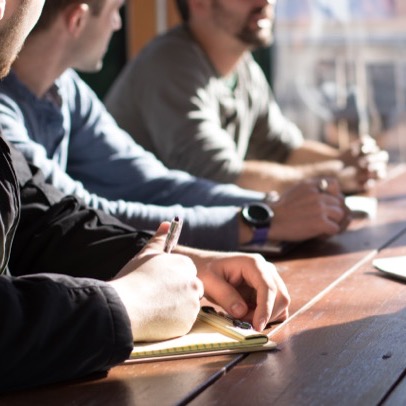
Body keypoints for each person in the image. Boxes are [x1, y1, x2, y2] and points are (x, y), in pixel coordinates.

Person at [0, 0, 291, 391]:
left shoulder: (66, 90)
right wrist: (127, 303)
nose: (120, 24)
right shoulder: (171, 63)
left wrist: (178, 259)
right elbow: (98, 204)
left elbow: (43, 217)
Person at [0, 0, 351, 252]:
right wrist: (258, 221)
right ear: (77, 19)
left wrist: (269, 204)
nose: (119, 25)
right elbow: (81, 216)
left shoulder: (66, 89)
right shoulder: (6, 115)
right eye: (116, 11)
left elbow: (152, 182)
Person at [105, 0, 388, 195]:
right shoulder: (169, 64)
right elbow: (220, 177)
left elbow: (284, 149)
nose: (267, 1)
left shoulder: (242, 66)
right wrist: (335, 176)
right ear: (199, 2)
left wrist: (349, 161)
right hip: (136, 245)